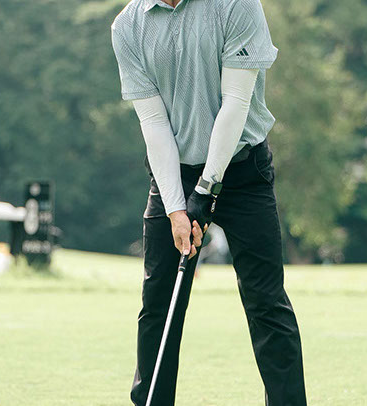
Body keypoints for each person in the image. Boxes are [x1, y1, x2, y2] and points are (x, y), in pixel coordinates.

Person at [111, 0, 307, 405]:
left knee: (266, 301)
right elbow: (154, 122)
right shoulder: (128, 26)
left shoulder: (236, 5)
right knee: (158, 302)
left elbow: (235, 102)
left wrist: (206, 189)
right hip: (174, 174)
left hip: (243, 169)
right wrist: (175, 208)